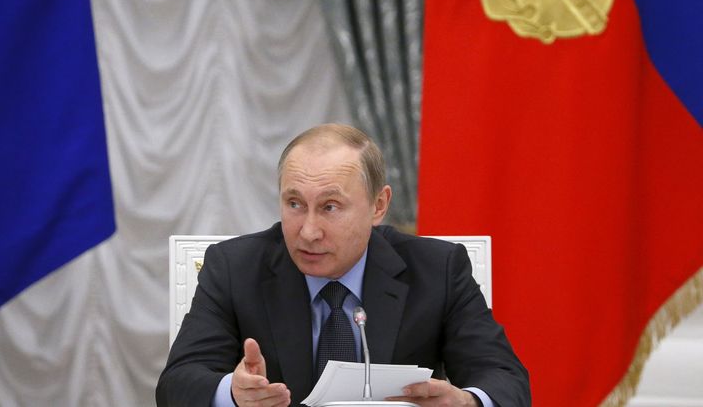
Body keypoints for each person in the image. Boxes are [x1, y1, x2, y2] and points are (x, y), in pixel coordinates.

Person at [157, 124, 530, 407]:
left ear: (378, 206)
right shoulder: (234, 267)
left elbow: (505, 379)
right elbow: (177, 384)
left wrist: (467, 401)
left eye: (330, 207)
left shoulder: (438, 268)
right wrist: (234, 394)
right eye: (295, 204)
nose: (309, 231)